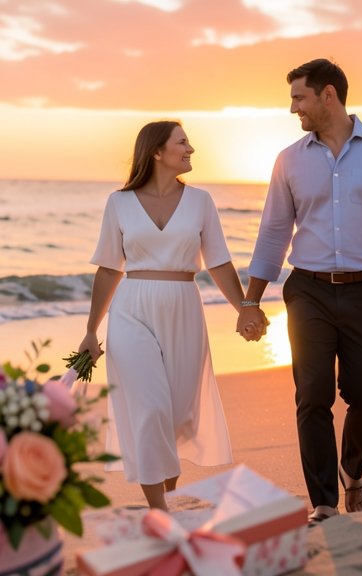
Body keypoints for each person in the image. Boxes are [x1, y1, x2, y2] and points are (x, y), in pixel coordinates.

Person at [237, 59, 362, 526]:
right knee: (312, 395)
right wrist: (251, 300)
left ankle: (351, 471)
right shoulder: (289, 159)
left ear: (328, 95)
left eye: (298, 98)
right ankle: (323, 502)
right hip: (307, 291)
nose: (292, 109)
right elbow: (274, 231)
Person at [78, 120, 248, 511]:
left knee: (175, 416)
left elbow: (219, 262)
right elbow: (108, 268)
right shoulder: (118, 203)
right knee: (150, 408)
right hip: (131, 310)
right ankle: (159, 512)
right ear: (157, 151)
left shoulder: (201, 201)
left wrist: (245, 309)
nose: (191, 149)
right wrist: (91, 330)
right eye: (183, 142)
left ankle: (166, 499)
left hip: (184, 309)